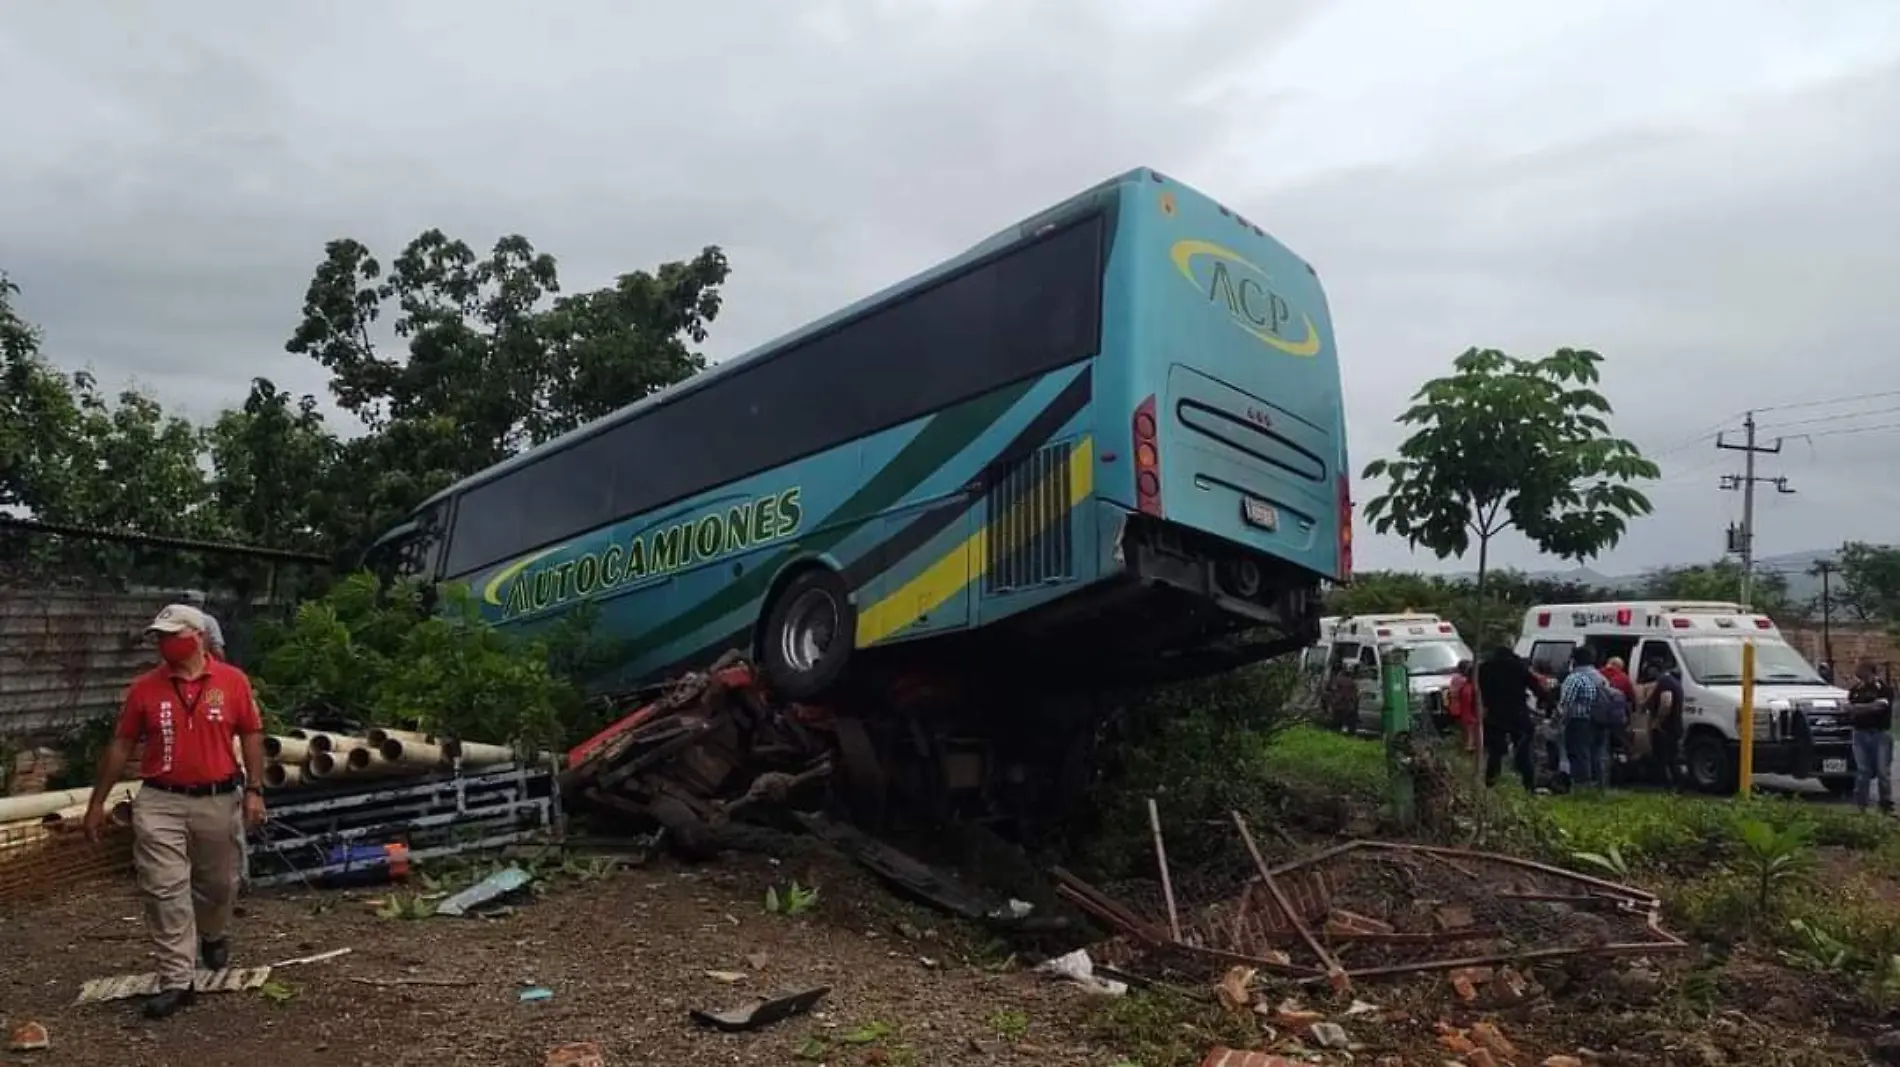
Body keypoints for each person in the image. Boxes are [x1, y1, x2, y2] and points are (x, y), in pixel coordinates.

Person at [83, 604, 268, 1020]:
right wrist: (97, 803)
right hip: (160, 800)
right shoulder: (145, 688)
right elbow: (122, 745)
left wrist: (255, 789)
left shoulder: (232, 682)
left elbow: (252, 734)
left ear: (197, 636)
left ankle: (215, 932)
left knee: (219, 883)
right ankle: (177, 980)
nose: (163, 643)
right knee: (164, 888)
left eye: (171, 634)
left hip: (218, 799)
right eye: (159, 636)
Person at [1477, 645, 1538, 789]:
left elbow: (1476, 688)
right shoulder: (1518, 667)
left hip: (1494, 714)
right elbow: (1535, 686)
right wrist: (1549, 701)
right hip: (1518, 714)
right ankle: (1529, 784)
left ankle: (1491, 782)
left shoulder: (1484, 668)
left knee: (1495, 752)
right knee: (1523, 750)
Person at [1846, 660, 1895, 814]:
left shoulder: (1884, 689)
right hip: (1860, 733)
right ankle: (1861, 804)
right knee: (1862, 770)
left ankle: (1885, 804)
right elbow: (1850, 709)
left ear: (1872, 672)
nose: (1861, 676)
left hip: (1880, 733)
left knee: (1882, 771)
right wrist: (1863, 708)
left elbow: (1880, 706)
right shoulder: (1855, 690)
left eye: (1864, 673)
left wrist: (1859, 708)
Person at [1560, 646, 1611, 790]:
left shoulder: (1574, 678)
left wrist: (1559, 722)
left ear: (1574, 660)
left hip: (1579, 721)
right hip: (1600, 721)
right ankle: (1598, 785)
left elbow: (1566, 703)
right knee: (1597, 754)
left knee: (1579, 754)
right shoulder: (1601, 678)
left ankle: (1582, 786)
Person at [1642, 659, 1685, 787]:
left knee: (1664, 757)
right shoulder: (1673, 681)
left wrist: (1658, 722)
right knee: (1672, 756)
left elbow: (1666, 702)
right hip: (1674, 725)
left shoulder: (1665, 682)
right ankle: (1675, 784)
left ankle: (1667, 784)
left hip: (1666, 727)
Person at [1446, 658, 1479, 753]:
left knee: (1464, 731)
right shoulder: (1464, 682)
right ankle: (1469, 748)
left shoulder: (1454, 679)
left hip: (1455, 708)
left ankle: (1464, 746)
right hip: (1462, 710)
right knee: (1469, 732)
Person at [1324, 660, 1359, 735]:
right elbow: (1354, 696)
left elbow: (1331, 692)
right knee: (1348, 725)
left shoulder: (1337, 680)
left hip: (1340, 706)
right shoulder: (1350, 682)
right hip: (1346, 706)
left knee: (1337, 725)